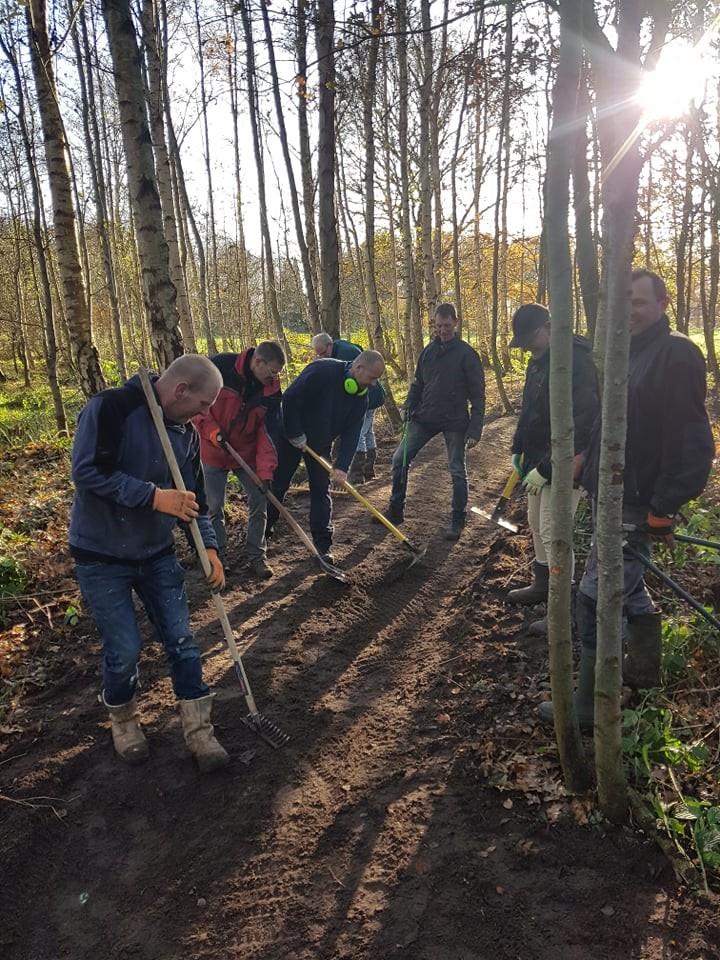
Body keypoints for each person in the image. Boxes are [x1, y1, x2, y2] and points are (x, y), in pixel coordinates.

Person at [539, 269, 715, 729]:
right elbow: (614, 422)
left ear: (662, 304)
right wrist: (585, 460)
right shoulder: (626, 352)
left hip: (638, 501)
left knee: (597, 597)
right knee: (627, 588)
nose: (630, 311)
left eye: (638, 302)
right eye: (624, 302)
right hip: (611, 494)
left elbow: (692, 438)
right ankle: (642, 672)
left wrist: (663, 506)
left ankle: (592, 708)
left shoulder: (677, 353)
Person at [69, 355, 230, 773]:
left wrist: (207, 550)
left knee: (182, 640)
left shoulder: (187, 435)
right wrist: (153, 496)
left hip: (156, 554)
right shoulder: (111, 408)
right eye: (204, 403)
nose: (207, 413)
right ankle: (122, 720)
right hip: (101, 556)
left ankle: (199, 732)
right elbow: (87, 471)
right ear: (181, 391)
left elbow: (197, 502)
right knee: (124, 650)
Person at [507, 303, 600, 634]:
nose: (528, 348)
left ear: (548, 325)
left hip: (568, 463)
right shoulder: (539, 360)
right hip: (537, 457)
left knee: (553, 530)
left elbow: (581, 422)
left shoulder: (575, 360)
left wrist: (547, 467)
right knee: (535, 523)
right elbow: (529, 408)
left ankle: (563, 609)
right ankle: (542, 585)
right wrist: (518, 448)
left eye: (531, 339)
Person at [267, 349, 386, 563]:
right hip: (290, 438)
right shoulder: (322, 371)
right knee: (278, 486)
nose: (373, 384)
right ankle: (263, 535)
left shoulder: (361, 398)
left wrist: (342, 466)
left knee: (321, 491)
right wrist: (294, 432)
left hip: (320, 445)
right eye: (372, 378)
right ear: (358, 368)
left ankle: (323, 545)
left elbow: (352, 433)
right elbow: (290, 399)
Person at [383, 302, 485, 541]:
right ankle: (395, 509)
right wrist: (408, 405)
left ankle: (457, 518)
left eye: (447, 325)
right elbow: (418, 384)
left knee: (457, 470)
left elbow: (478, 395)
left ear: (456, 323)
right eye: (438, 326)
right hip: (425, 416)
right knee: (399, 459)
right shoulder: (428, 352)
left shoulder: (467, 355)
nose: (442, 330)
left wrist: (475, 429)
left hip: (456, 421)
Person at [194, 341, 285, 580]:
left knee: (260, 501)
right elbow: (198, 408)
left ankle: (257, 556)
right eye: (273, 372)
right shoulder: (219, 368)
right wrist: (213, 433)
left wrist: (265, 473)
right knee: (213, 508)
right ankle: (218, 558)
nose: (274, 378)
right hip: (212, 453)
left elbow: (268, 435)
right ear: (258, 362)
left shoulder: (271, 392)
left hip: (245, 454)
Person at [311, 332, 386, 484]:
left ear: (330, 345)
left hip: (368, 397)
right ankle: (368, 470)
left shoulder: (346, 354)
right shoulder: (338, 349)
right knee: (368, 432)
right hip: (370, 395)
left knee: (359, 434)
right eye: (319, 355)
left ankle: (356, 475)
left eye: (324, 353)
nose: (322, 357)